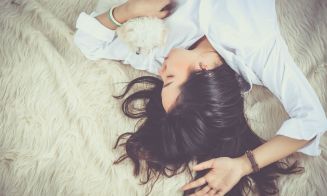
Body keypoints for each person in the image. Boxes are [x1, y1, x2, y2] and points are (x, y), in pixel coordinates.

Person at [73, 0, 327, 195]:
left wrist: (128, 10)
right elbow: (312, 120)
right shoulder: (256, 46)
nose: (161, 71)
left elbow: (90, 43)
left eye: (162, 82)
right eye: (170, 79)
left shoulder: (162, 52)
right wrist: (242, 165)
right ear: (205, 68)